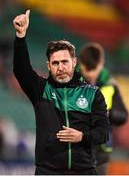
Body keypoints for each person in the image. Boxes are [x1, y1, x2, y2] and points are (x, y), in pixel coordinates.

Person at [13, 10, 109, 175]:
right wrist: (20, 37)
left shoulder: (93, 94)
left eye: (65, 62)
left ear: (74, 62)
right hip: (48, 171)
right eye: (55, 63)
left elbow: (103, 133)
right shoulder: (41, 89)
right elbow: (21, 70)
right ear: (49, 66)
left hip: (84, 171)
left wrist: (82, 136)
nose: (61, 67)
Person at [79, 42, 128, 175]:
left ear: (101, 63)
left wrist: (108, 114)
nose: (91, 74)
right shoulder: (72, 83)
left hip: (101, 150)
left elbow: (123, 116)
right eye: (87, 69)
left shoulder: (110, 85)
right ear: (80, 64)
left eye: (94, 69)